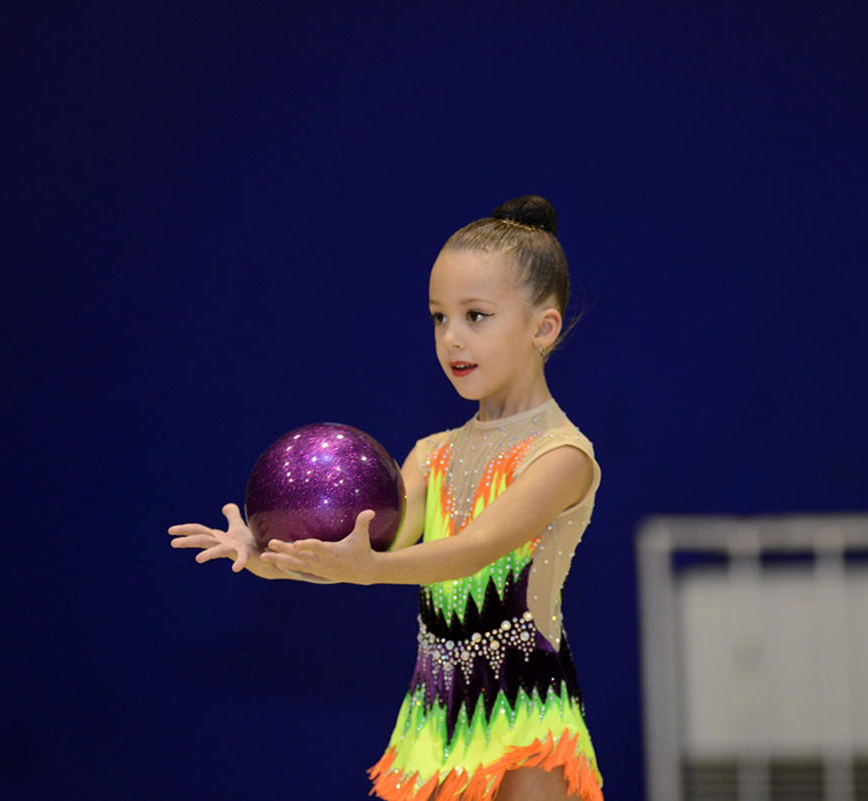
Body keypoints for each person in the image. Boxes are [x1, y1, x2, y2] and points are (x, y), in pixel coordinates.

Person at [169, 195, 604, 801]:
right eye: (437, 317)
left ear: (543, 326)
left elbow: (473, 549)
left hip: (524, 711)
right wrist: (268, 555)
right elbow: (366, 554)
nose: (451, 337)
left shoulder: (561, 457)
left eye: (475, 315)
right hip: (435, 717)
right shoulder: (433, 453)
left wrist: (370, 570)